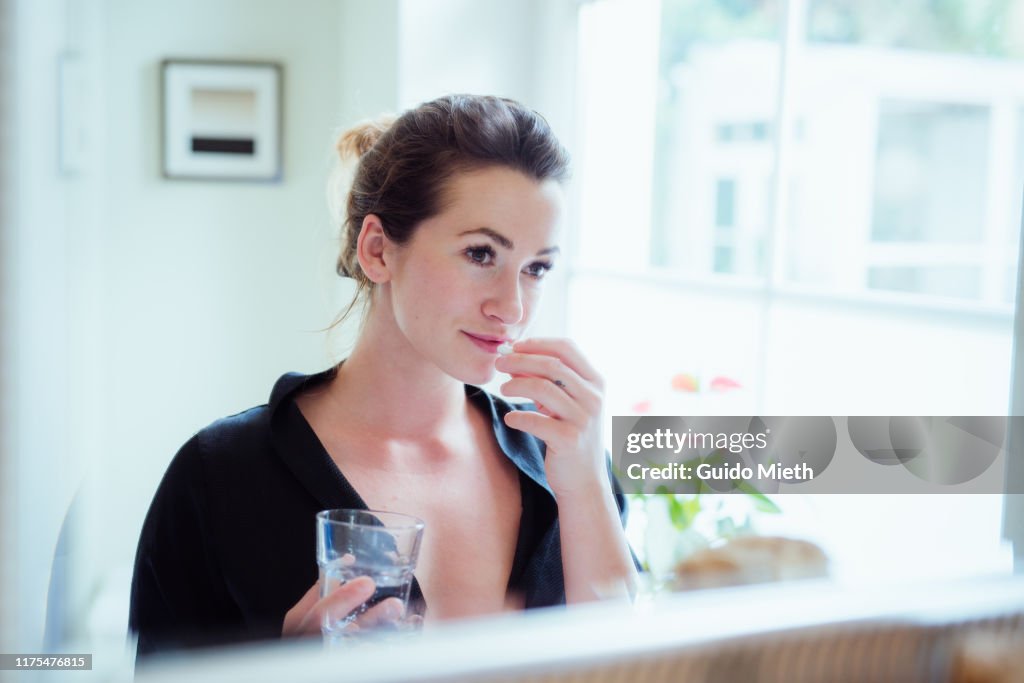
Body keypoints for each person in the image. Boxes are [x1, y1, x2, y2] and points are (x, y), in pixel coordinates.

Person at [128, 94, 638, 656]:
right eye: (479, 254)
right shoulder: (219, 475)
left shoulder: (562, 459)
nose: (512, 307)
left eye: (537, 268)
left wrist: (588, 485)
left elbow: (632, 665)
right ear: (377, 251)